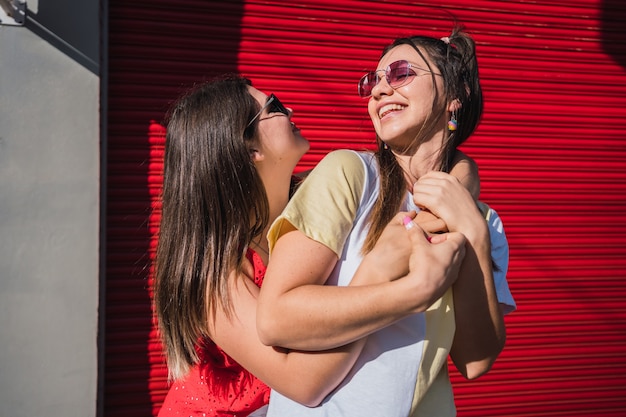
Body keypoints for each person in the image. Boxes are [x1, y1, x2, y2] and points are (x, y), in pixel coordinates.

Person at [153, 75, 470, 416]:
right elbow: (305, 383)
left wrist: (464, 178)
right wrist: (382, 273)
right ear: (249, 148)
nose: (289, 108)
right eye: (272, 107)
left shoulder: (314, 199)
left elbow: (432, 169)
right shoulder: (215, 277)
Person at [257, 26, 516, 416]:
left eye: (400, 74)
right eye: (372, 81)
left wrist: (474, 235)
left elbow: (475, 361)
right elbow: (276, 318)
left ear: (454, 96)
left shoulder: (484, 221)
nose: (379, 90)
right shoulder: (349, 174)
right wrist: (411, 288)